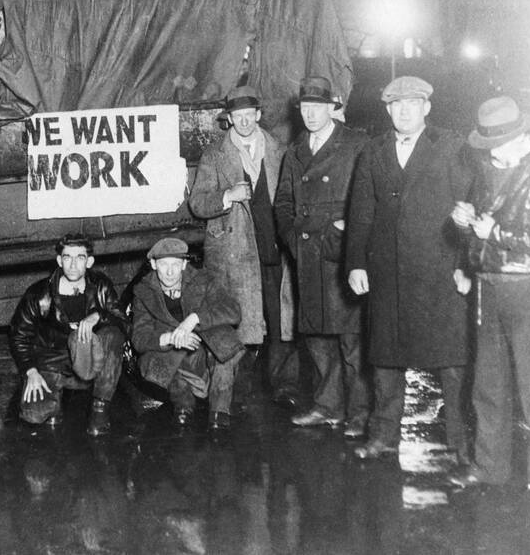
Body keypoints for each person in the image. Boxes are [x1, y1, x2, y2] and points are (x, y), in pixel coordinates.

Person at [345, 76, 476, 461]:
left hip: (439, 270)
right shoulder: (373, 151)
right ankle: (382, 436)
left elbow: (467, 208)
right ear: (387, 110)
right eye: (396, 105)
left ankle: (460, 444)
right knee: (385, 358)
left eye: (412, 103)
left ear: (427, 108)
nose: (404, 110)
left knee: (451, 361)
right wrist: (355, 263)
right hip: (386, 273)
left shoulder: (451, 147)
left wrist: (465, 265)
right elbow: (361, 212)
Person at [450, 96, 530, 503]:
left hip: (529, 292)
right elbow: (482, 227)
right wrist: (466, 225)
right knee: (487, 385)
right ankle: (490, 468)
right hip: (488, 288)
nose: (492, 154)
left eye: (499, 145)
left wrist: (494, 234)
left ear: (523, 139)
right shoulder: (488, 172)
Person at [187, 84, 297, 408]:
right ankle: (242, 389)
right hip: (236, 253)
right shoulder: (214, 155)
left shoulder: (279, 150)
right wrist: (226, 197)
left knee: (280, 321)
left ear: (258, 115)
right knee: (242, 323)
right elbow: (197, 203)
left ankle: (284, 387)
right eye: (238, 116)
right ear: (229, 119)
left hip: (275, 247)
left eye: (250, 115)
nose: (245, 122)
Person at [274, 75, 370, 436]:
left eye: (319, 106)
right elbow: (283, 201)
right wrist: (291, 238)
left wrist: (347, 229)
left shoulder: (356, 144)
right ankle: (329, 406)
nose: (311, 114)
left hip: (342, 253)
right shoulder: (296, 151)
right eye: (305, 107)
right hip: (307, 254)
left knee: (352, 338)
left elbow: (368, 194)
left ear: (334, 107)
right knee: (316, 337)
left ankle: (360, 413)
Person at [8, 234, 127, 436]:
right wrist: (31, 371)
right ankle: (55, 401)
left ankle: (100, 408)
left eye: (80, 258)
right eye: (67, 257)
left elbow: (123, 321)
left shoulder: (101, 286)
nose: (73, 265)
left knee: (114, 335)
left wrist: (98, 315)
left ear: (89, 262)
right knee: (34, 414)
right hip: (52, 360)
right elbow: (18, 335)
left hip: (88, 357)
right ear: (59, 260)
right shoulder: (39, 293)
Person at [130, 236, 244, 430]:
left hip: (205, 353)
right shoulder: (143, 291)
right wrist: (171, 338)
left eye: (175, 264)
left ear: (184, 264)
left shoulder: (203, 280)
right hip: (176, 359)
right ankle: (183, 403)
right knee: (152, 358)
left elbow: (233, 311)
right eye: (163, 264)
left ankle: (219, 410)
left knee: (224, 340)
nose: (170, 271)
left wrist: (194, 319)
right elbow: (139, 337)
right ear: (153, 264)